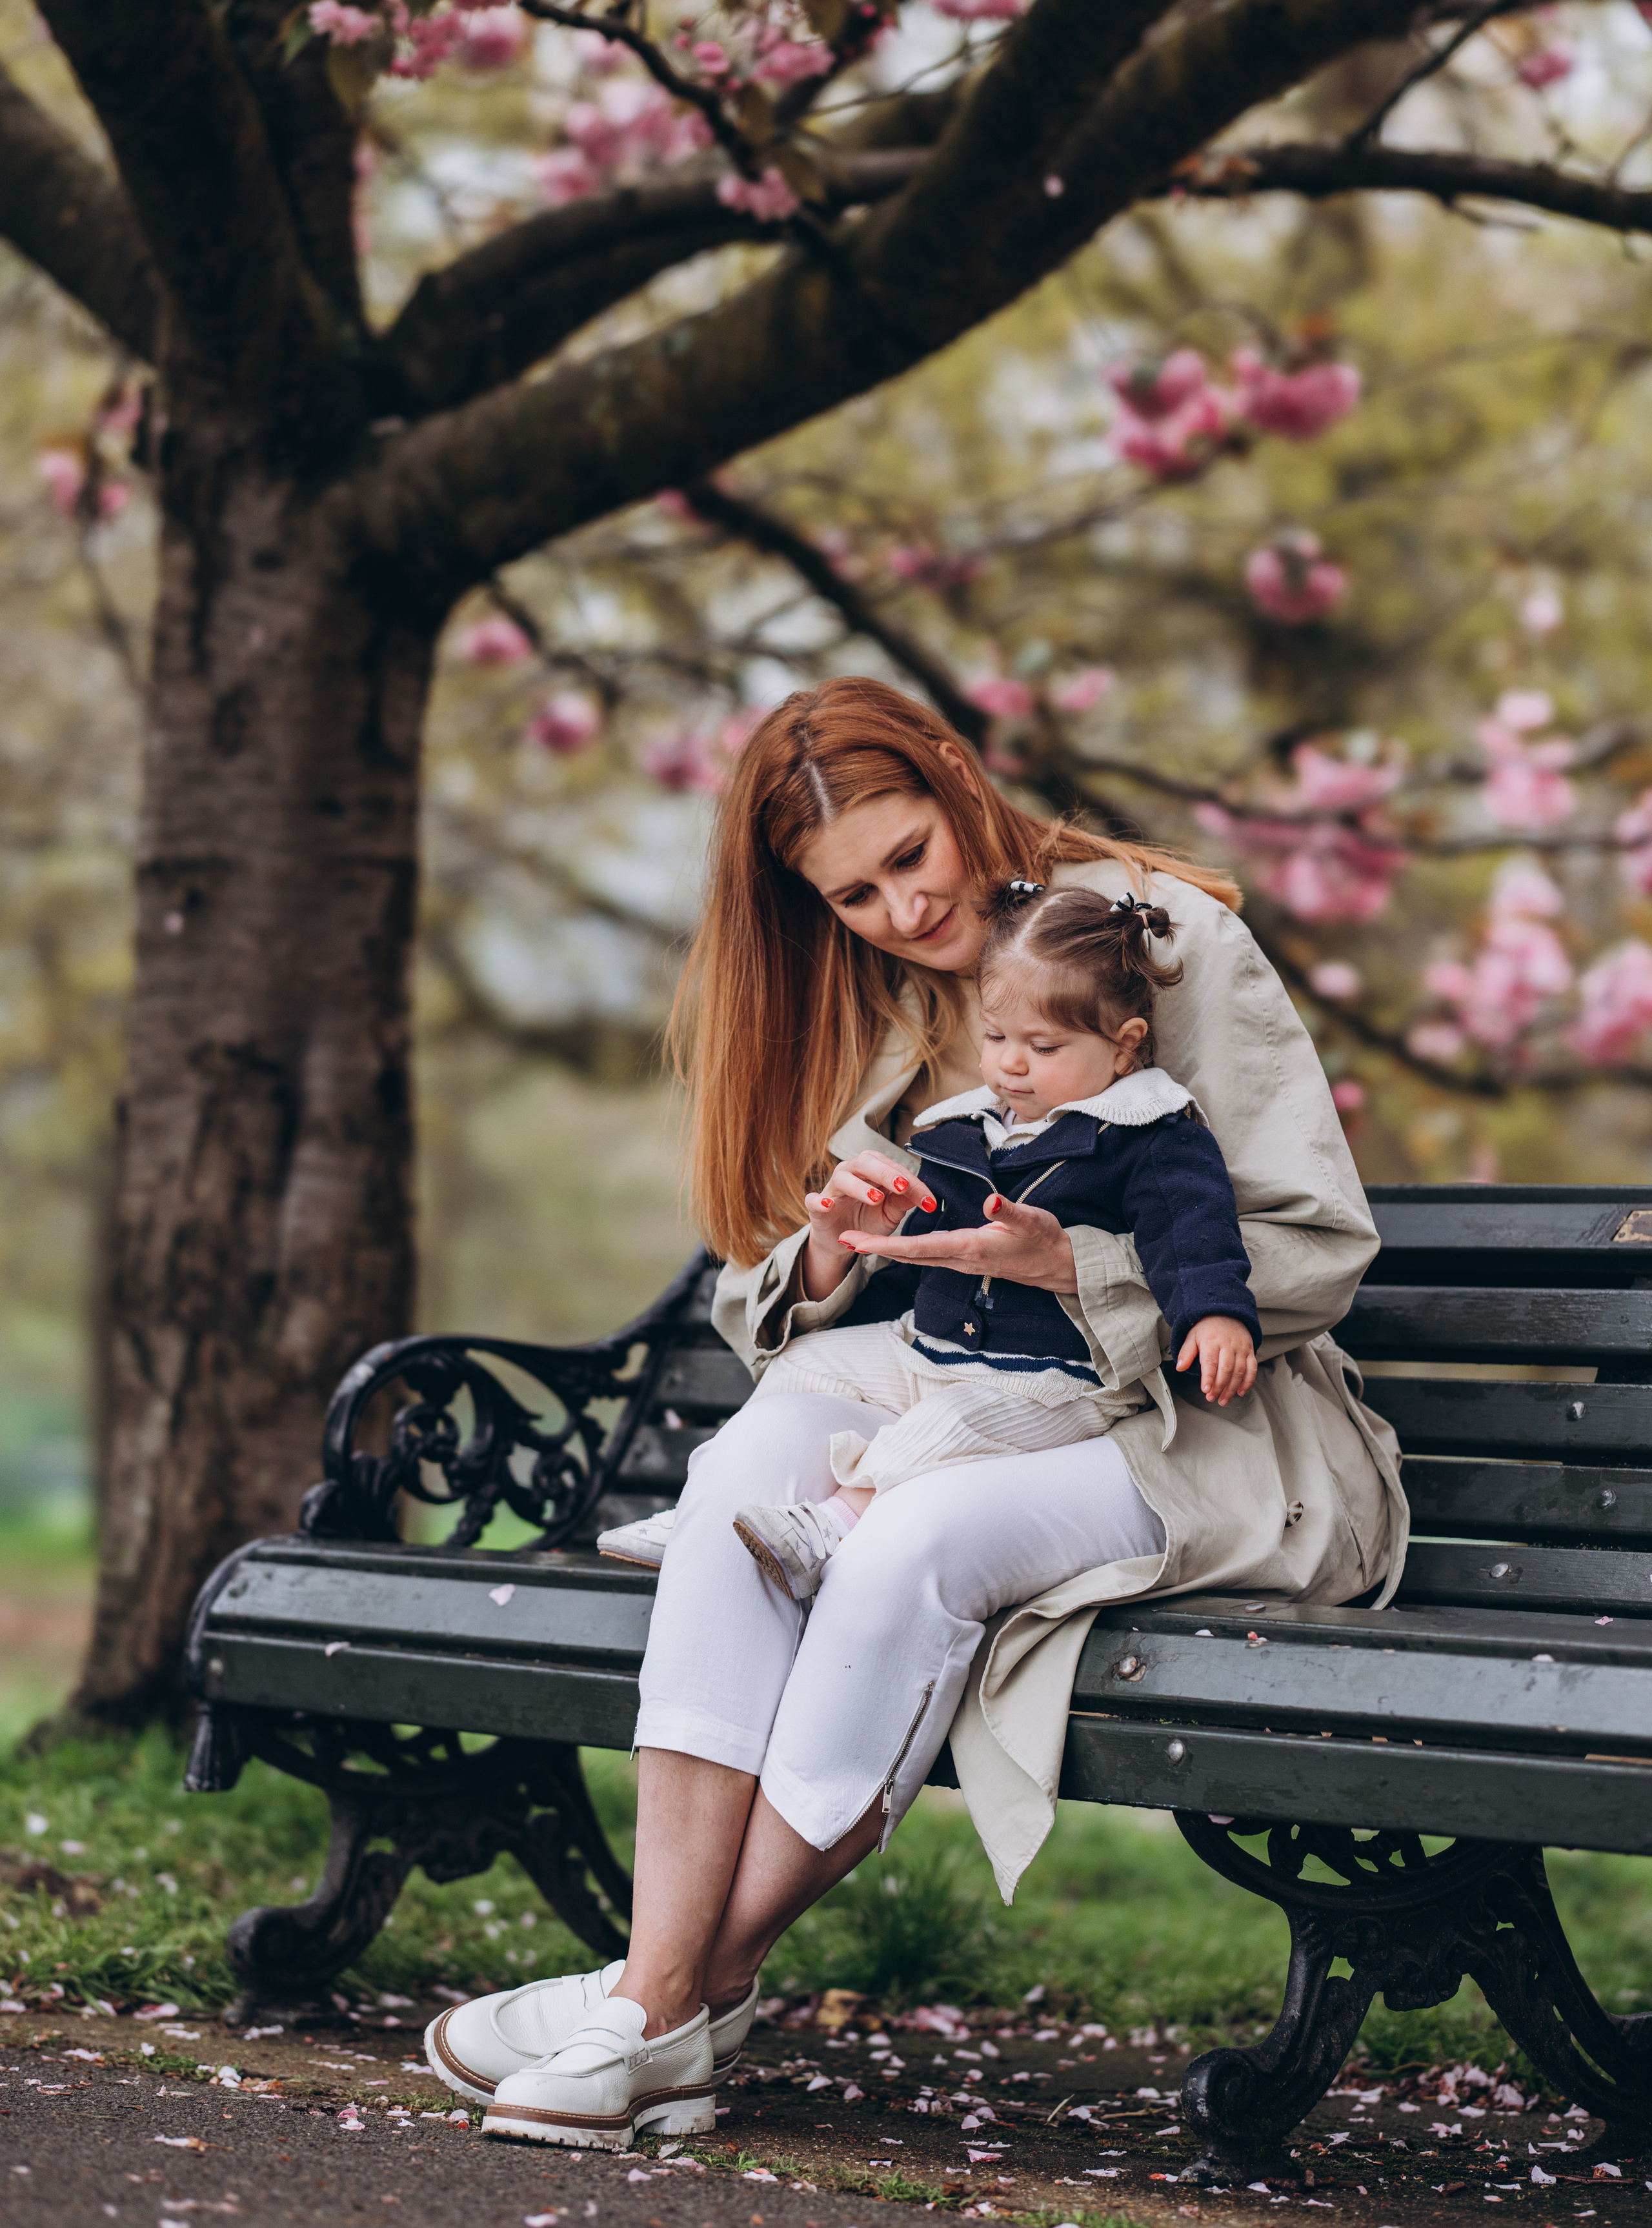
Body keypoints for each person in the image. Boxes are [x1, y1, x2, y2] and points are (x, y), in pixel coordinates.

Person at [427, 676, 1406, 2154]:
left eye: (908, 857)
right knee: (735, 1481)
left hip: (1189, 1425)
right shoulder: (890, 996)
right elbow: (819, 1273)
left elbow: (1313, 1246)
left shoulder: (1153, 940)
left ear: (954, 781)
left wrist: (1071, 1262)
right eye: (853, 894)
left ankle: (649, 1999)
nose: (896, 908)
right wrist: (833, 1242)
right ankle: (660, 2021)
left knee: (911, 1541)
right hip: (968, 1388)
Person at [728, 878, 1260, 1601]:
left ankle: (835, 1524)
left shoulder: (1150, 1135)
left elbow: (1194, 1235)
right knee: (805, 1364)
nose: (1011, 1063)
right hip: (935, 1346)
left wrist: (1215, 1314)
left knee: (946, 1426)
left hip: (1049, 1378)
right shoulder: (962, 1128)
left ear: (1124, 1046)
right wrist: (881, 1225)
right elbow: (934, 1240)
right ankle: (711, 1515)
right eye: (996, 1036)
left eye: (1043, 1045)